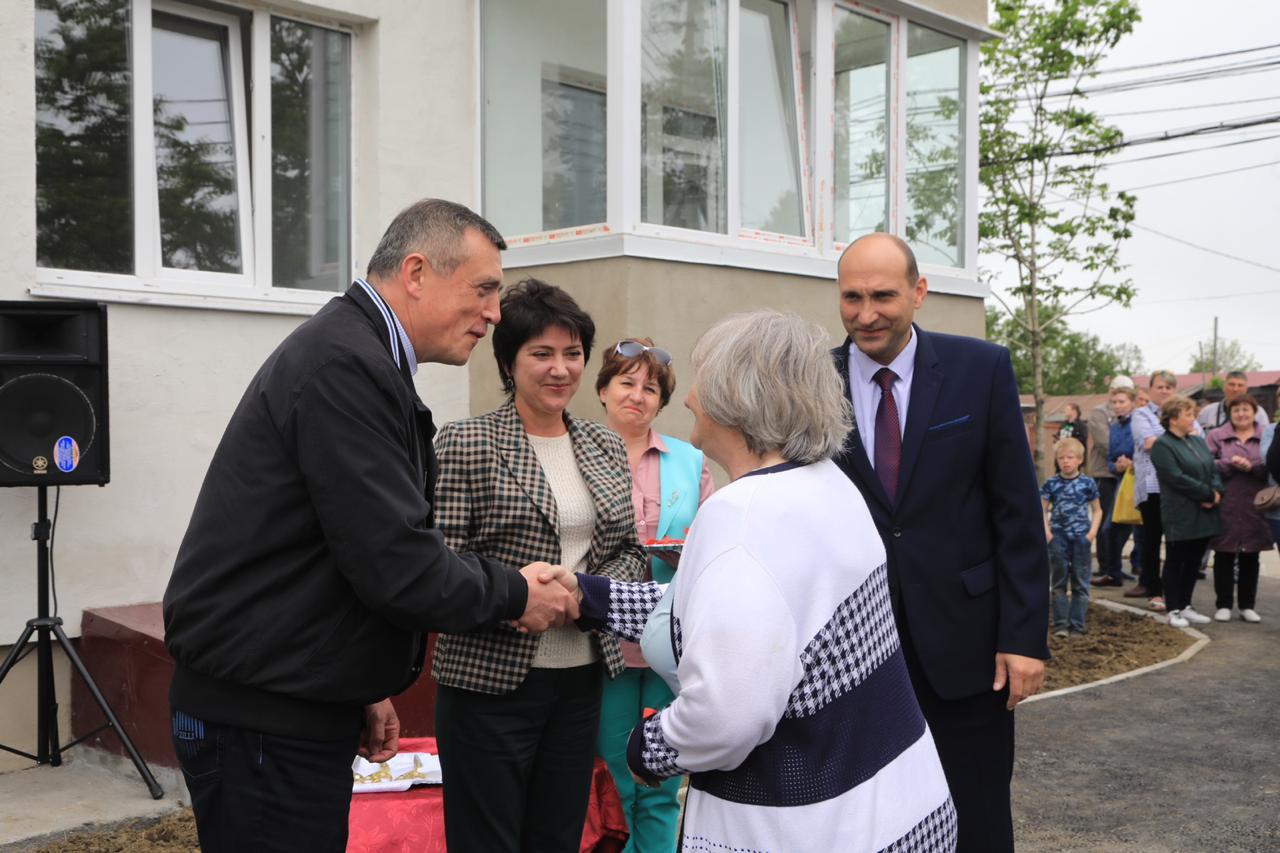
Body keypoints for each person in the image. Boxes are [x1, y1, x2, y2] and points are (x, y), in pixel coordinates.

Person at [161, 199, 580, 852]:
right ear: (416, 272)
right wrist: (518, 593)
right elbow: (398, 564)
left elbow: (333, 552)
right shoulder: (345, 367)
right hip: (263, 723)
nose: (495, 312)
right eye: (484, 289)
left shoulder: (359, 357)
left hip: (285, 705)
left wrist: (358, 683)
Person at [567, 310, 956, 852]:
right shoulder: (826, 485)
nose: (688, 397)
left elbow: (726, 714)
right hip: (901, 805)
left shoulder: (742, 518)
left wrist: (648, 747)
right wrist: (588, 596)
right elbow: (734, 621)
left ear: (735, 395)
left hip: (817, 829)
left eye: (701, 378)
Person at [831, 233, 1047, 853]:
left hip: (967, 649)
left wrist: (1023, 638)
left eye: (882, 296)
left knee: (975, 818)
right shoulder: (814, 381)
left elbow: (1016, 514)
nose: (866, 313)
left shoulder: (981, 369)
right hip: (856, 649)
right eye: (851, 297)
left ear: (919, 293)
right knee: (868, 822)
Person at [430, 279, 647, 853]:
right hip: (488, 684)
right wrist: (520, 600)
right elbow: (439, 564)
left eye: (572, 354)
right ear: (507, 361)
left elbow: (629, 553)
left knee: (557, 837)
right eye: (541, 353)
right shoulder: (466, 442)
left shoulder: (602, 445)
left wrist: (585, 596)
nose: (560, 369)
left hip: (578, 680)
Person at [593, 337, 714, 852]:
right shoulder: (580, 452)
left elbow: (710, 538)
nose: (637, 395)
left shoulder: (690, 460)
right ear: (602, 390)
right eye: (626, 382)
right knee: (614, 778)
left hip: (668, 637)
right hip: (603, 640)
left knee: (663, 778)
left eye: (650, 388)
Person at [1125, 371, 1202, 612]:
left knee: (1176, 543)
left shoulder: (1186, 412)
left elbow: (1200, 437)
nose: (1165, 391)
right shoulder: (1140, 413)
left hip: (1180, 487)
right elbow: (1146, 443)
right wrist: (1178, 435)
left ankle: (1176, 594)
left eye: (1170, 387)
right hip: (1152, 486)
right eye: (1160, 387)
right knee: (1151, 539)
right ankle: (1153, 589)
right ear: (1149, 389)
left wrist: (1170, 437)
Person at [1150, 395, 1222, 629]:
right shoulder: (1163, 445)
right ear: (1173, 418)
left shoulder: (1198, 441)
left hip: (1204, 511)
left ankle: (1186, 605)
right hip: (1180, 512)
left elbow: (1212, 468)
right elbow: (1176, 478)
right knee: (1176, 561)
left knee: (1193, 561)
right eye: (1189, 414)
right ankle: (1173, 608)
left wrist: (1216, 491)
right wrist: (1207, 494)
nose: (1194, 419)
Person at [1206, 396, 1270, 622]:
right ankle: (1223, 604)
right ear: (1229, 414)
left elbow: (1273, 465)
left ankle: (1247, 606)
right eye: (1236, 410)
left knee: (1251, 555)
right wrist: (1228, 463)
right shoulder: (1216, 436)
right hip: (1226, 502)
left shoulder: (1266, 434)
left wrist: (1252, 467)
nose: (1241, 414)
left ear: (1254, 412)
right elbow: (1205, 464)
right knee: (1223, 553)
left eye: (1246, 410)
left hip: (1256, 504)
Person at [1041, 438, 1102, 637]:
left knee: (1080, 583)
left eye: (1070, 457)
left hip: (1081, 539)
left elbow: (1097, 510)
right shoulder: (1051, 483)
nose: (1066, 461)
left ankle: (1077, 625)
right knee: (1058, 582)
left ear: (1079, 460)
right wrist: (1047, 533)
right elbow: (1041, 510)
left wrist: (1091, 533)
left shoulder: (1087, 483)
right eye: (1061, 458)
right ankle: (1060, 625)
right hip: (1058, 538)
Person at [1087, 377, 1135, 586]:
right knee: (1106, 519)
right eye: (1115, 394)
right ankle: (1106, 567)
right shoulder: (1099, 413)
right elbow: (1105, 442)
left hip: (1126, 475)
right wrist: (1121, 460)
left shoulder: (1133, 418)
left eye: (1123, 397)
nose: (1118, 403)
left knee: (1123, 522)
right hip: (1104, 473)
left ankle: (1115, 568)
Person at [1096, 384, 1143, 587]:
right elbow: (1109, 460)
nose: (1117, 406)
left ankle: (1146, 576)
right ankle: (1113, 573)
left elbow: (1148, 451)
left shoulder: (1140, 423)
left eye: (1122, 401)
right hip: (1122, 483)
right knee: (1110, 529)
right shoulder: (1115, 427)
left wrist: (1132, 463)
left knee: (1142, 531)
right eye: (1114, 402)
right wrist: (1117, 466)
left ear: (1132, 403)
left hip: (1142, 482)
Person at [1196, 370, 1269, 431]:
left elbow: (1265, 440)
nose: (1235, 389)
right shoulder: (1208, 412)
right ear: (1224, 387)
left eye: (1240, 385)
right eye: (1231, 385)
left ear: (1246, 389)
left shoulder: (1259, 413)